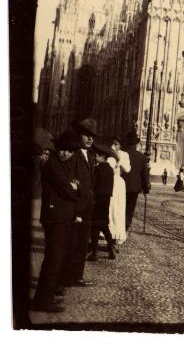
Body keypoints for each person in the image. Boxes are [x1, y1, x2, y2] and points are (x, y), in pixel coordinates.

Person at [32, 131, 80, 312]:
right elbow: (69, 189)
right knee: (52, 260)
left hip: (62, 217)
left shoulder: (63, 164)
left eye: (69, 151)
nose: (65, 154)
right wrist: (73, 187)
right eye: (63, 150)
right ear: (57, 148)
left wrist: (73, 187)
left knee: (55, 259)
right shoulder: (53, 165)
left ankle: (46, 297)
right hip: (55, 218)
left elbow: (75, 186)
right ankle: (43, 301)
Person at [61, 118, 97, 289]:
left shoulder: (90, 156)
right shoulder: (74, 155)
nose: (90, 139)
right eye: (87, 135)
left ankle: (77, 276)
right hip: (76, 206)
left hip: (87, 206)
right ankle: (66, 277)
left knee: (82, 243)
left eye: (92, 136)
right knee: (71, 243)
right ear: (79, 135)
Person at [88, 144, 117, 261]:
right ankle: (111, 248)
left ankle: (94, 253)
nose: (95, 157)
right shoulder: (110, 169)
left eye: (96, 156)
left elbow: (93, 184)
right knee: (104, 225)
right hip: (106, 200)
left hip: (97, 200)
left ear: (102, 157)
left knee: (95, 226)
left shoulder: (97, 169)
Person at [121, 131, 150, 232]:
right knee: (130, 208)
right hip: (134, 187)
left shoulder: (121, 153)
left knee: (120, 207)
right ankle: (126, 225)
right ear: (136, 144)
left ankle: (120, 226)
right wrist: (146, 188)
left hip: (121, 186)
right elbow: (145, 175)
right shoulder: (141, 156)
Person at [108, 137, 130, 246]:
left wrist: (118, 158)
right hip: (109, 182)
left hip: (119, 184)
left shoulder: (124, 154)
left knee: (119, 209)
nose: (115, 144)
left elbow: (127, 169)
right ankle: (108, 233)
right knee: (110, 208)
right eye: (114, 142)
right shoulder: (108, 152)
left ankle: (117, 235)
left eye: (117, 143)